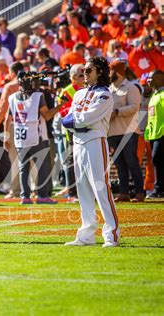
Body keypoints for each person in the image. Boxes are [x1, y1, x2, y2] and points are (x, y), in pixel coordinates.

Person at [62, 56, 119, 247]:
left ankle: (111, 234)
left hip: (95, 142)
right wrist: (77, 123)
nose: (83, 74)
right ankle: (86, 235)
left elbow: (87, 117)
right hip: (79, 143)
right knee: (83, 191)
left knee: (101, 188)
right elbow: (71, 119)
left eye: (88, 70)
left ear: (100, 72)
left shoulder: (105, 94)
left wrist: (76, 122)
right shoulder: (79, 94)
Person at [4, 73, 60, 204]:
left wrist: (6, 138)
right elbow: (46, 115)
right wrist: (61, 105)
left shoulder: (12, 97)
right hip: (36, 135)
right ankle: (42, 195)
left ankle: (25, 197)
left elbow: (7, 119)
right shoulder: (38, 96)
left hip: (20, 136)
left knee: (23, 168)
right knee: (42, 166)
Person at [107, 60, 144, 202]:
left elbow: (135, 107)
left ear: (119, 72)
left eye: (110, 71)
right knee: (119, 163)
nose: (108, 74)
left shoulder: (131, 87)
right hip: (113, 132)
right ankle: (124, 193)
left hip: (128, 131)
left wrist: (117, 112)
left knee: (131, 161)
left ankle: (139, 192)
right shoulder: (109, 90)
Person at [0, 62, 24, 198]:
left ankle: (15, 190)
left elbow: (3, 108)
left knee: (14, 159)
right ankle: (34, 188)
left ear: (13, 72)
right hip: (30, 124)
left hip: (14, 124)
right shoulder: (31, 84)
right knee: (31, 157)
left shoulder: (10, 86)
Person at [56, 64, 85, 201]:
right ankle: (72, 193)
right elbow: (62, 112)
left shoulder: (88, 89)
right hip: (70, 131)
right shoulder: (66, 92)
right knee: (71, 160)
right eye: (81, 74)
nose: (84, 76)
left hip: (86, 129)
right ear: (73, 77)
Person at [144, 70, 164, 198]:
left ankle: (159, 188)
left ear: (159, 79)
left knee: (157, 159)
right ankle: (159, 188)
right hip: (154, 134)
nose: (148, 80)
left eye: (151, 78)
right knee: (157, 160)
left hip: (161, 133)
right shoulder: (154, 95)